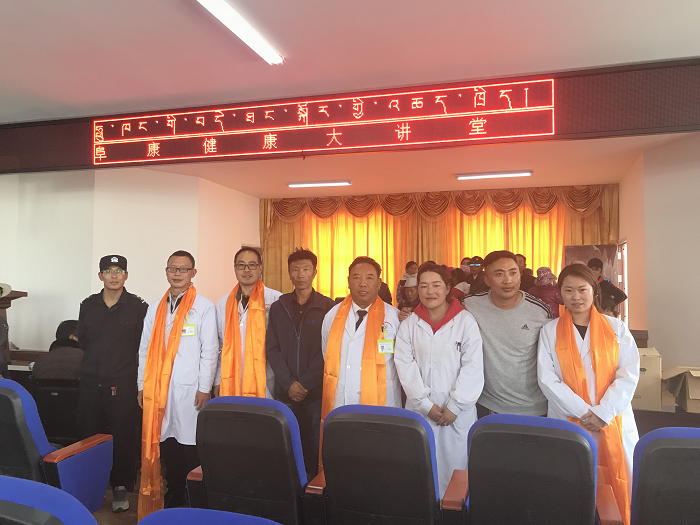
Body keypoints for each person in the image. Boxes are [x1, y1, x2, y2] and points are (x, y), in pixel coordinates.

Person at [537, 264, 639, 524]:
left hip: (612, 418)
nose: (576, 297)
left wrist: (603, 412)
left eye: (582, 290)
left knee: (617, 484)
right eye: (568, 290)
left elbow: (628, 375)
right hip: (570, 417)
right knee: (571, 481)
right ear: (560, 293)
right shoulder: (550, 331)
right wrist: (585, 412)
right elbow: (547, 379)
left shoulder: (617, 328)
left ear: (594, 290)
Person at [137, 250, 218, 515]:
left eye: (183, 269)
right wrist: (142, 385)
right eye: (173, 268)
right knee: (167, 442)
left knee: (190, 444)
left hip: (190, 388)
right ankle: (172, 495)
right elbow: (144, 349)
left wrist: (205, 387)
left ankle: (191, 497)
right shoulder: (155, 308)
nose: (177, 274)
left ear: (193, 273)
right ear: (166, 272)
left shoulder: (204, 306)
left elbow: (210, 349)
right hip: (160, 388)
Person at [395, 263, 484, 497]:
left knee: (456, 476)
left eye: (436, 285)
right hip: (421, 410)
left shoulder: (465, 322)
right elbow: (404, 365)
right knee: (421, 472)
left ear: (447, 288)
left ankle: (454, 511)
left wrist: (455, 406)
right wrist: (424, 404)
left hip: (457, 414)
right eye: (423, 286)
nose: (430, 291)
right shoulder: (409, 324)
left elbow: (473, 367)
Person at [77, 255, 148, 512]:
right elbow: (83, 341)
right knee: (88, 436)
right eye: (108, 271)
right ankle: (89, 486)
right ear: (100, 276)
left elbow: (143, 345)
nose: (114, 275)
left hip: (123, 383)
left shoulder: (138, 307)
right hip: (91, 383)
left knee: (123, 437)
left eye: (119, 271)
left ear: (126, 276)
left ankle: (120, 487)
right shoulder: (88, 305)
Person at [320, 256, 402, 463]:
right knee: (344, 459)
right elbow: (326, 354)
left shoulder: (395, 318)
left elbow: (403, 362)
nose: (363, 284)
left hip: (382, 403)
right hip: (341, 403)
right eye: (356, 278)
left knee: (380, 460)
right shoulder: (332, 316)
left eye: (369, 278)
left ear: (379, 283)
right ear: (348, 281)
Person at [266, 249, 335, 479]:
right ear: (289, 273)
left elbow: (328, 351)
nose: (300, 274)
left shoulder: (328, 307)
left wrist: (305, 384)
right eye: (295, 269)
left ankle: (314, 490)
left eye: (306, 269)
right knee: (287, 444)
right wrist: (289, 383)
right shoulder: (279, 307)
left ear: (315, 272)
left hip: (316, 392)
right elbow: (272, 348)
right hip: (286, 391)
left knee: (316, 446)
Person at [463, 250, 552, 417]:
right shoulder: (470, 305)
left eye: (513, 273)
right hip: (488, 405)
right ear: (486, 280)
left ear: (520, 275)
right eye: (499, 274)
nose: (508, 280)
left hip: (534, 407)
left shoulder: (539, 311)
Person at [214, 247, 282, 398]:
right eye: (241, 265)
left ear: (260, 268)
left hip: (266, 377)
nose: (246, 270)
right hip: (231, 377)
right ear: (235, 269)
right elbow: (220, 344)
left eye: (252, 265)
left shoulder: (275, 299)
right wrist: (218, 380)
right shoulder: (224, 303)